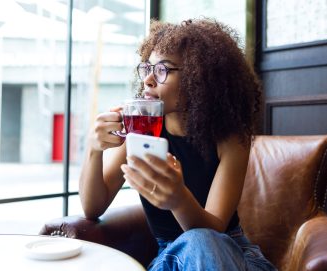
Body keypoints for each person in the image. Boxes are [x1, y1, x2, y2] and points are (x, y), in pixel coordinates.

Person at [79, 18, 277, 271]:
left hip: (233, 254)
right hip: (171, 256)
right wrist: (94, 150)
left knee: (201, 240)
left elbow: (212, 233)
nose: (149, 80)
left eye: (163, 69)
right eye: (147, 68)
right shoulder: (141, 128)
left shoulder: (230, 138)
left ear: (200, 79)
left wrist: (178, 199)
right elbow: (92, 207)